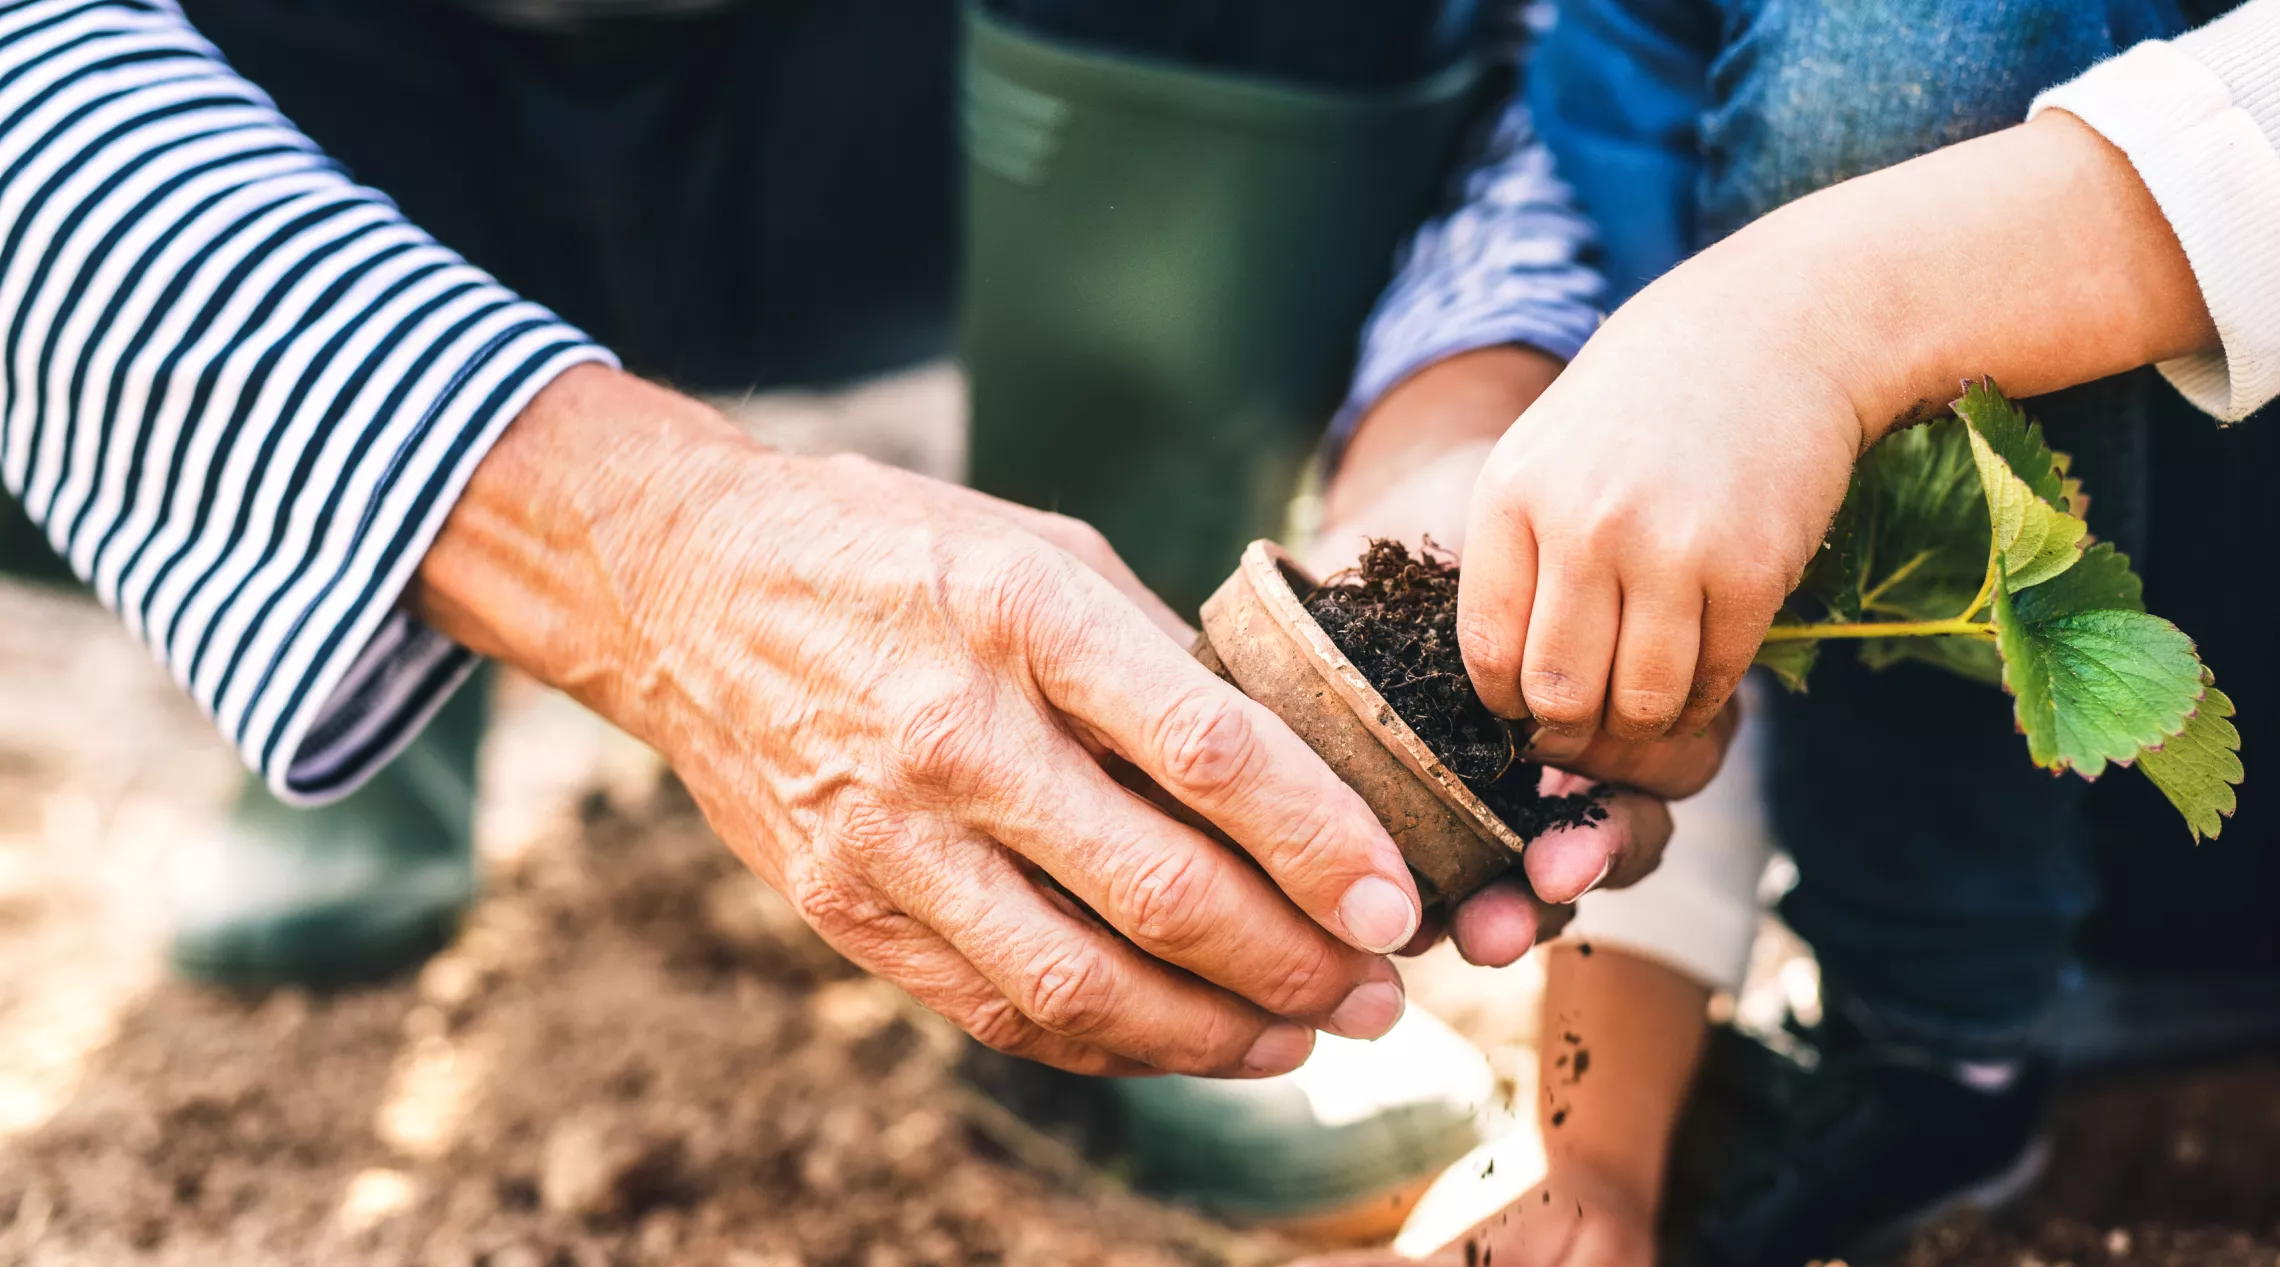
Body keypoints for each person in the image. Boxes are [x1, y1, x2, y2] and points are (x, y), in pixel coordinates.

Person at [0, 0, 1726, 1089]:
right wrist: (635, 545)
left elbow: (1600, 42)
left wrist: (1466, 399)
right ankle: (366, 625)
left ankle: (1111, 803)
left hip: (914, 106)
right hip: (263, 102)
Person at [1303, 0, 2280, 1263]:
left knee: (1906, 50)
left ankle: (1940, 1000)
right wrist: (1587, 1144)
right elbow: (1683, 557)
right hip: (2014, 859)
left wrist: (1829, 316)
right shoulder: (1642, 66)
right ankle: (1933, 1050)